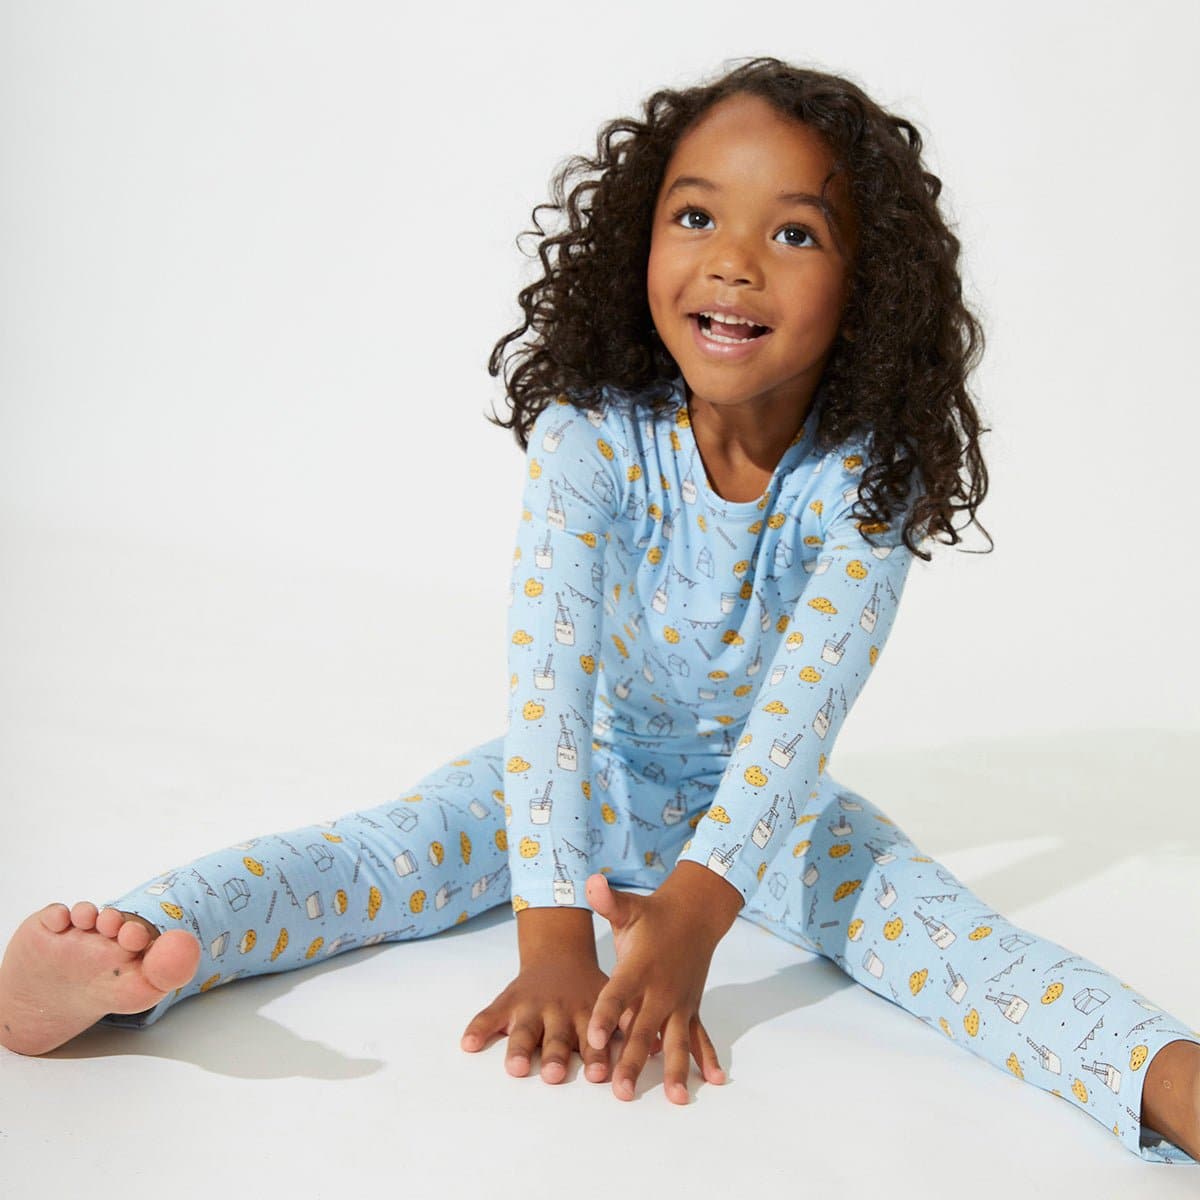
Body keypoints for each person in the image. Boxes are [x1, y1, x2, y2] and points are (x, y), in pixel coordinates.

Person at [0, 55, 1196, 1165]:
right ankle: (127, 953)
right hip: (574, 776)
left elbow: (798, 723)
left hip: (764, 817)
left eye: (793, 232)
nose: (734, 263)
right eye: (697, 217)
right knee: (373, 858)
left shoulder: (863, 482)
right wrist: (555, 935)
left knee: (955, 942)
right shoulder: (593, 436)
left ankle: (1165, 1078)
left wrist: (696, 914)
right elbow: (549, 688)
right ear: (639, 240)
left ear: (868, 285)